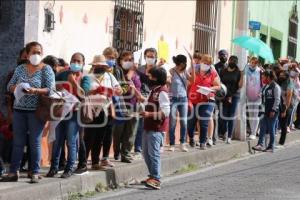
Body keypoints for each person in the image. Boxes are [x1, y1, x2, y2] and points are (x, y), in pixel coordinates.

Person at [3, 41, 55, 183]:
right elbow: (9, 86)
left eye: (39, 52)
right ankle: (14, 172)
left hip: (36, 111)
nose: (36, 55)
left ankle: (35, 172)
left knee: (35, 142)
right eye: (34, 52)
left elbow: (51, 89)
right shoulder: (20, 68)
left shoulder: (46, 69)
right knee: (18, 142)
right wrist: (17, 88)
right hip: (19, 110)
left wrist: (35, 90)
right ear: (27, 54)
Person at [46, 52, 87, 178]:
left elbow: (83, 95)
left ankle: (69, 169)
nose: (75, 63)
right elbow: (52, 89)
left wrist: (73, 82)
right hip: (59, 112)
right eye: (73, 60)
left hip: (74, 114)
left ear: (83, 64)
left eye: (78, 61)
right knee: (57, 141)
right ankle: (54, 168)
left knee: (71, 142)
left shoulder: (85, 78)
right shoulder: (62, 74)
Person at [83, 55, 122, 169]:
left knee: (100, 138)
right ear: (94, 66)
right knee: (88, 137)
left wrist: (115, 90)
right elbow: (84, 92)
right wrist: (96, 91)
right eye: (98, 65)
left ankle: (95, 162)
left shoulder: (110, 76)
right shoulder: (87, 77)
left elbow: (119, 90)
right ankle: (83, 162)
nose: (100, 67)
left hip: (105, 110)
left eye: (102, 65)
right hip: (91, 110)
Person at [140, 67, 170, 190]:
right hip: (148, 126)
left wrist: (149, 115)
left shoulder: (162, 92)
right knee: (146, 153)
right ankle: (152, 175)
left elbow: (165, 112)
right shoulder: (154, 91)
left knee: (153, 154)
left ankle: (156, 179)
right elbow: (145, 102)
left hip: (156, 128)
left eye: (151, 76)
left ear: (156, 78)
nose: (149, 78)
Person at [112, 51, 141, 163]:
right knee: (118, 132)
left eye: (130, 60)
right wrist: (128, 77)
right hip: (120, 106)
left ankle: (126, 153)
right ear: (120, 61)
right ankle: (117, 152)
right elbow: (121, 89)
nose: (128, 62)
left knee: (131, 132)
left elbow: (136, 90)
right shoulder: (117, 73)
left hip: (133, 106)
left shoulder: (136, 75)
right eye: (125, 60)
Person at [189, 54, 221, 150]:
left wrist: (209, 88)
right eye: (204, 62)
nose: (205, 65)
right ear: (200, 61)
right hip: (193, 99)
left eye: (208, 63)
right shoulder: (193, 69)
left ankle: (203, 142)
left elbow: (218, 86)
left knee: (204, 121)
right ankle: (191, 138)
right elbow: (188, 81)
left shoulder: (212, 72)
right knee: (191, 122)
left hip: (207, 100)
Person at [135, 48, 158, 154]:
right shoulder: (140, 69)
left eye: (152, 57)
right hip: (141, 98)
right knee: (140, 124)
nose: (150, 58)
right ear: (144, 57)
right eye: (148, 56)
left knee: (151, 123)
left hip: (153, 99)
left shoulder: (158, 70)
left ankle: (151, 146)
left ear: (155, 58)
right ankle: (138, 147)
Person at [252, 70, 281, 152]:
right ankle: (260, 144)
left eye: (263, 76)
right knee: (262, 127)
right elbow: (263, 95)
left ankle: (271, 146)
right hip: (264, 110)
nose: (262, 78)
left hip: (272, 111)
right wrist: (260, 95)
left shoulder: (275, 86)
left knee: (271, 127)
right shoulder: (266, 86)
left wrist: (273, 110)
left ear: (268, 77)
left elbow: (277, 99)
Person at [219, 56, 243, 144]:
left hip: (234, 95)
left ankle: (229, 136)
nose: (232, 62)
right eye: (231, 60)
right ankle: (224, 132)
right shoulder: (223, 71)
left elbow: (240, 86)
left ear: (236, 63)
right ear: (228, 61)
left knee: (231, 115)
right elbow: (220, 82)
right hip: (224, 95)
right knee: (223, 115)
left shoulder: (239, 72)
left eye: (234, 61)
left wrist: (242, 75)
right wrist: (225, 95)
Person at [168, 55, 189, 152]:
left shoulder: (186, 72)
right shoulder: (172, 71)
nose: (184, 64)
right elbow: (168, 82)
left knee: (184, 122)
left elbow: (193, 80)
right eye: (183, 63)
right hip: (173, 99)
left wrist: (192, 63)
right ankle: (172, 143)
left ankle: (182, 143)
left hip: (183, 99)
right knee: (172, 122)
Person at [245, 57, 262, 140]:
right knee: (250, 114)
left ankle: (253, 132)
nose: (253, 64)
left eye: (255, 63)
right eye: (252, 62)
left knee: (255, 114)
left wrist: (261, 92)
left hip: (257, 95)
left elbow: (263, 83)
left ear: (257, 63)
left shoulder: (260, 71)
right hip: (248, 95)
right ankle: (252, 131)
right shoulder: (246, 69)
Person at [277, 70, 294, 145]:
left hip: (287, 106)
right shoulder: (281, 82)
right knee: (280, 123)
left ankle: (281, 142)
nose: (280, 76)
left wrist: (284, 110)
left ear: (286, 76)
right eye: (280, 75)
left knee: (283, 124)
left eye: (282, 75)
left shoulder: (289, 84)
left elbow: (288, 98)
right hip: (280, 104)